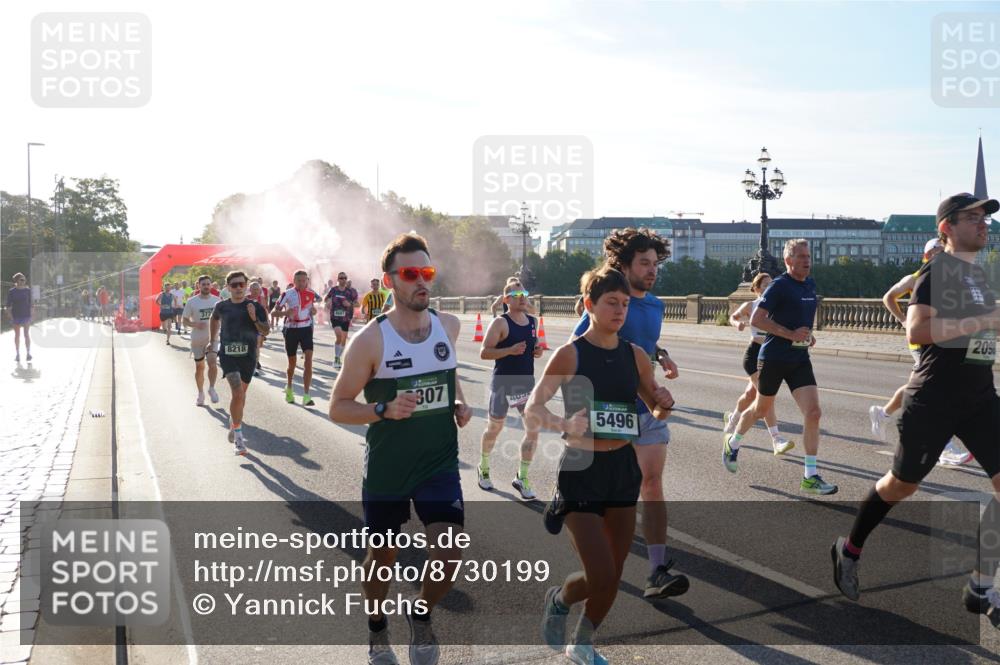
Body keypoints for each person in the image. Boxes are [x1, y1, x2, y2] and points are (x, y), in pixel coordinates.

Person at [831, 193, 1000, 623]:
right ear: (946, 227)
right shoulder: (936, 271)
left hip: (980, 397)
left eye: (985, 218)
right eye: (973, 218)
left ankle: (979, 587)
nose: (984, 224)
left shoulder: (978, 275)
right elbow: (920, 330)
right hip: (935, 399)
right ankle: (848, 549)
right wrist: (983, 320)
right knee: (901, 486)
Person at [329, 233, 471, 665]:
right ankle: (376, 627)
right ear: (391, 280)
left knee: (449, 551)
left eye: (427, 272)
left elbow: (447, 372)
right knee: (381, 559)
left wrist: (459, 400)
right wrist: (382, 408)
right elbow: (337, 407)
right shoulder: (371, 341)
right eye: (411, 274)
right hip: (389, 467)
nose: (421, 281)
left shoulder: (449, 326)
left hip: (438, 462)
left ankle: (421, 611)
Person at [528, 266, 675, 665]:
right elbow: (532, 408)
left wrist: (663, 401)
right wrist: (561, 423)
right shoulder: (570, 352)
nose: (620, 310)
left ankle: (582, 642)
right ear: (589, 304)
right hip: (581, 469)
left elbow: (655, 413)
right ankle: (559, 600)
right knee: (601, 574)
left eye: (625, 304)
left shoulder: (635, 355)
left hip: (622, 468)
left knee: (615, 572)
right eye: (611, 302)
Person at [565, 227, 689, 601]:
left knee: (651, 482)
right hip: (608, 410)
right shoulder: (608, 302)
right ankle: (596, 564)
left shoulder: (655, 305)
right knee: (609, 496)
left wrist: (659, 354)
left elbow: (642, 340)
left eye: (655, 264)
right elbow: (579, 349)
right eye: (644, 264)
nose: (652, 271)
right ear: (624, 265)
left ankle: (656, 569)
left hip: (645, 405)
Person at [723, 239, 838, 496]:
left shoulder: (809, 284)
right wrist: (790, 334)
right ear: (788, 261)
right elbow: (757, 319)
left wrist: (807, 335)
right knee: (761, 409)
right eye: (800, 256)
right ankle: (733, 441)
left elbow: (802, 320)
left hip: (799, 359)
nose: (807, 260)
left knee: (814, 413)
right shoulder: (778, 286)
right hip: (773, 357)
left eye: (808, 256)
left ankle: (810, 475)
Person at [869, 238, 971, 466]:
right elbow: (888, 297)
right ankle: (944, 447)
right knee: (937, 390)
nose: (942, 254)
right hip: (923, 342)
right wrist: (904, 321)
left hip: (941, 340)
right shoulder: (915, 278)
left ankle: (882, 413)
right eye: (937, 251)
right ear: (927, 255)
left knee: (922, 386)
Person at [478, 280, 545, 499]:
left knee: (533, 429)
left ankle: (521, 476)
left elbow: (531, 348)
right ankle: (484, 467)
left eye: (524, 293)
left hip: (524, 382)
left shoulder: (532, 322)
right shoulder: (500, 323)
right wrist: (509, 350)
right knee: (494, 429)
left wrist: (536, 351)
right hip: (502, 383)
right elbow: (484, 353)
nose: (523, 297)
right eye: (517, 294)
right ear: (506, 299)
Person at [722, 272, 794, 453]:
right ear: (756, 289)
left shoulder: (777, 307)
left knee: (749, 395)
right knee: (765, 398)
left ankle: (732, 419)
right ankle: (777, 439)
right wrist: (736, 323)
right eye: (764, 285)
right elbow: (733, 317)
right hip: (753, 355)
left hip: (769, 355)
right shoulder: (751, 305)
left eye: (771, 285)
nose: (768, 288)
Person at [210, 271, 270, 455]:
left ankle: (233, 421)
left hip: (249, 356)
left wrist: (254, 318)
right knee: (236, 393)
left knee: (241, 396)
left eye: (241, 285)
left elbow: (265, 331)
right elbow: (214, 319)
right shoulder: (221, 306)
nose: (238, 288)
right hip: (228, 354)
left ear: (246, 286)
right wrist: (212, 341)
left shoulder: (255, 306)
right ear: (228, 287)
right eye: (234, 285)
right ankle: (238, 437)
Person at [274, 270, 318, 406]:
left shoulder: (311, 294)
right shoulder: (286, 294)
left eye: (304, 280)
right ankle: (289, 388)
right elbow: (274, 312)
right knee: (292, 363)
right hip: (291, 329)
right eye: (298, 280)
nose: (301, 283)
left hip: (305, 329)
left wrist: (313, 311)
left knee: (309, 360)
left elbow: (311, 309)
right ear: (294, 281)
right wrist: (285, 312)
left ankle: (306, 395)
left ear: (307, 281)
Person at [182, 275, 222, 406]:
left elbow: (223, 319)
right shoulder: (192, 301)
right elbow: (185, 320)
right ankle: (200, 393)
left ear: (211, 285)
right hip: (197, 339)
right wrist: (196, 325)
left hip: (213, 338)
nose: (206, 286)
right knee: (200, 367)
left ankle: (211, 388)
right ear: (198, 286)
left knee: (212, 363)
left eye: (208, 284)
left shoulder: (217, 301)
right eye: (203, 284)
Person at [325, 272, 357, 369]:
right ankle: (336, 358)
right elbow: (326, 299)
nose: (343, 280)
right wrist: (328, 302)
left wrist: (349, 304)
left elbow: (357, 304)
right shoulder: (333, 290)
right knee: (339, 335)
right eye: (341, 278)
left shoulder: (351, 291)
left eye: (344, 278)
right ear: (338, 279)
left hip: (346, 318)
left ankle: (338, 357)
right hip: (335, 317)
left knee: (343, 339)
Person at [7, 273, 32, 362]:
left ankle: (28, 353)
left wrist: (32, 314)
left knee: (26, 335)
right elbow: (8, 305)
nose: (23, 281)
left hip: (26, 315)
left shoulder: (28, 290)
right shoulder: (12, 291)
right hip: (16, 315)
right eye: (21, 280)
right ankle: (17, 354)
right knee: (17, 335)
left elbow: (31, 304)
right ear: (17, 281)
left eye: (24, 280)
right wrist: (10, 316)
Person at [248, 282, 270, 376]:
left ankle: (255, 365)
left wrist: (267, 323)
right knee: (251, 347)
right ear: (250, 290)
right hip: (247, 327)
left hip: (258, 326)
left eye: (258, 289)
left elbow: (265, 310)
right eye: (254, 289)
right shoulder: (246, 299)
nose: (256, 291)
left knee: (257, 346)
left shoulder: (262, 299)